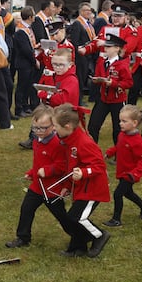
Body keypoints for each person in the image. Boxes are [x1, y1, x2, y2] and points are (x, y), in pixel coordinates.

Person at [5, 105, 73, 248]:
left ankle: (77, 235)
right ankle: (23, 238)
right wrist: (32, 172)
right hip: (37, 187)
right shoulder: (37, 140)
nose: (38, 131)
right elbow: (38, 162)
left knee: (61, 216)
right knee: (26, 209)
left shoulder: (57, 144)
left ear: (53, 126)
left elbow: (62, 166)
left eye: (42, 128)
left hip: (52, 189)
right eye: (35, 128)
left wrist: (47, 171)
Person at [52, 104, 111, 258]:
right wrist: (66, 186)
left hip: (92, 188)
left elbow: (99, 165)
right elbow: (70, 166)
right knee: (72, 218)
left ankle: (99, 236)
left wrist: (84, 172)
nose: (53, 129)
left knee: (76, 217)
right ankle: (77, 248)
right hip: (80, 187)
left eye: (55, 126)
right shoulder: (68, 139)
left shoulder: (83, 142)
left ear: (67, 126)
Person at [103, 104, 142, 227]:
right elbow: (118, 147)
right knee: (127, 193)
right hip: (122, 171)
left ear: (134, 123)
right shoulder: (122, 134)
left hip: (130, 174)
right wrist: (109, 153)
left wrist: (135, 174)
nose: (120, 124)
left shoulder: (137, 141)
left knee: (118, 193)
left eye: (124, 121)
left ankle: (116, 219)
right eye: (120, 121)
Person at [87, 33, 133, 146]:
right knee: (93, 125)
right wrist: (96, 80)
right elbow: (98, 75)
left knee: (118, 129)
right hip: (103, 98)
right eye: (105, 46)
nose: (105, 49)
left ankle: (119, 154)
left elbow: (129, 83)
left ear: (117, 48)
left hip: (117, 100)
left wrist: (114, 83)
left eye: (109, 47)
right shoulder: (102, 61)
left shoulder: (122, 64)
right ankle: (93, 152)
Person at [12, 6, 40, 118]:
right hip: (24, 62)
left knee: (28, 85)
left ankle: (25, 105)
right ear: (30, 17)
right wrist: (34, 61)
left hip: (28, 62)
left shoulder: (27, 28)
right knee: (21, 86)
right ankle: (19, 108)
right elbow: (25, 50)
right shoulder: (21, 30)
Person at [69, 2, 98, 105]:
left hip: (87, 54)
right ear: (81, 11)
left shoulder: (88, 24)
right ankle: (78, 99)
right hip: (80, 56)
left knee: (84, 77)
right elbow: (75, 41)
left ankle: (80, 98)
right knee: (80, 78)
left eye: (90, 11)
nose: (89, 12)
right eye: (87, 10)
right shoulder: (78, 23)